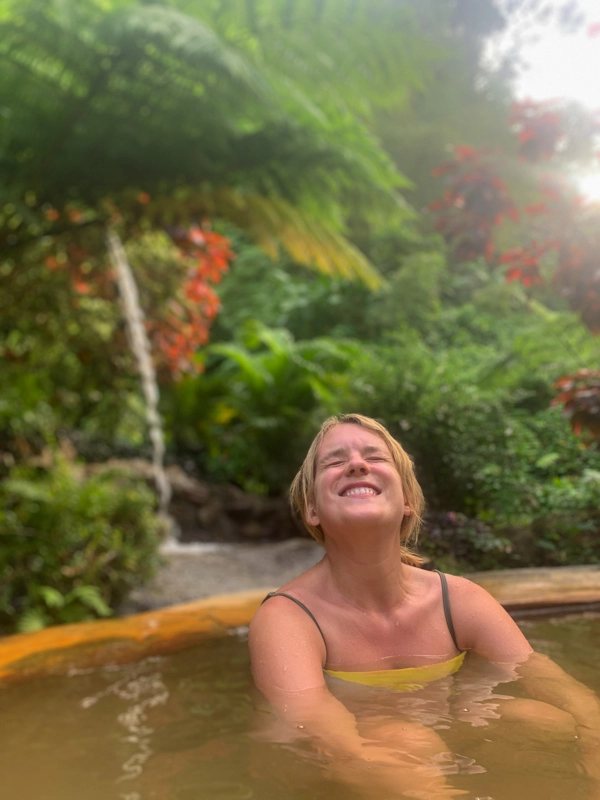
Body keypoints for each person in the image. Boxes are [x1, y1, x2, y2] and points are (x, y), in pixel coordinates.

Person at [249, 413, 600, 799]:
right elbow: (319, 733)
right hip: (349, 762)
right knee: (411, 740)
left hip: (448, 729)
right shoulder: (287, 619)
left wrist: (592, 738)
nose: (357, 464)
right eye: (334, 462)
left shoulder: (457, 599)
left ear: (408, 502)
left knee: (546, 722)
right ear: (312, 509)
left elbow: (542, 675)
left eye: (375, 458)